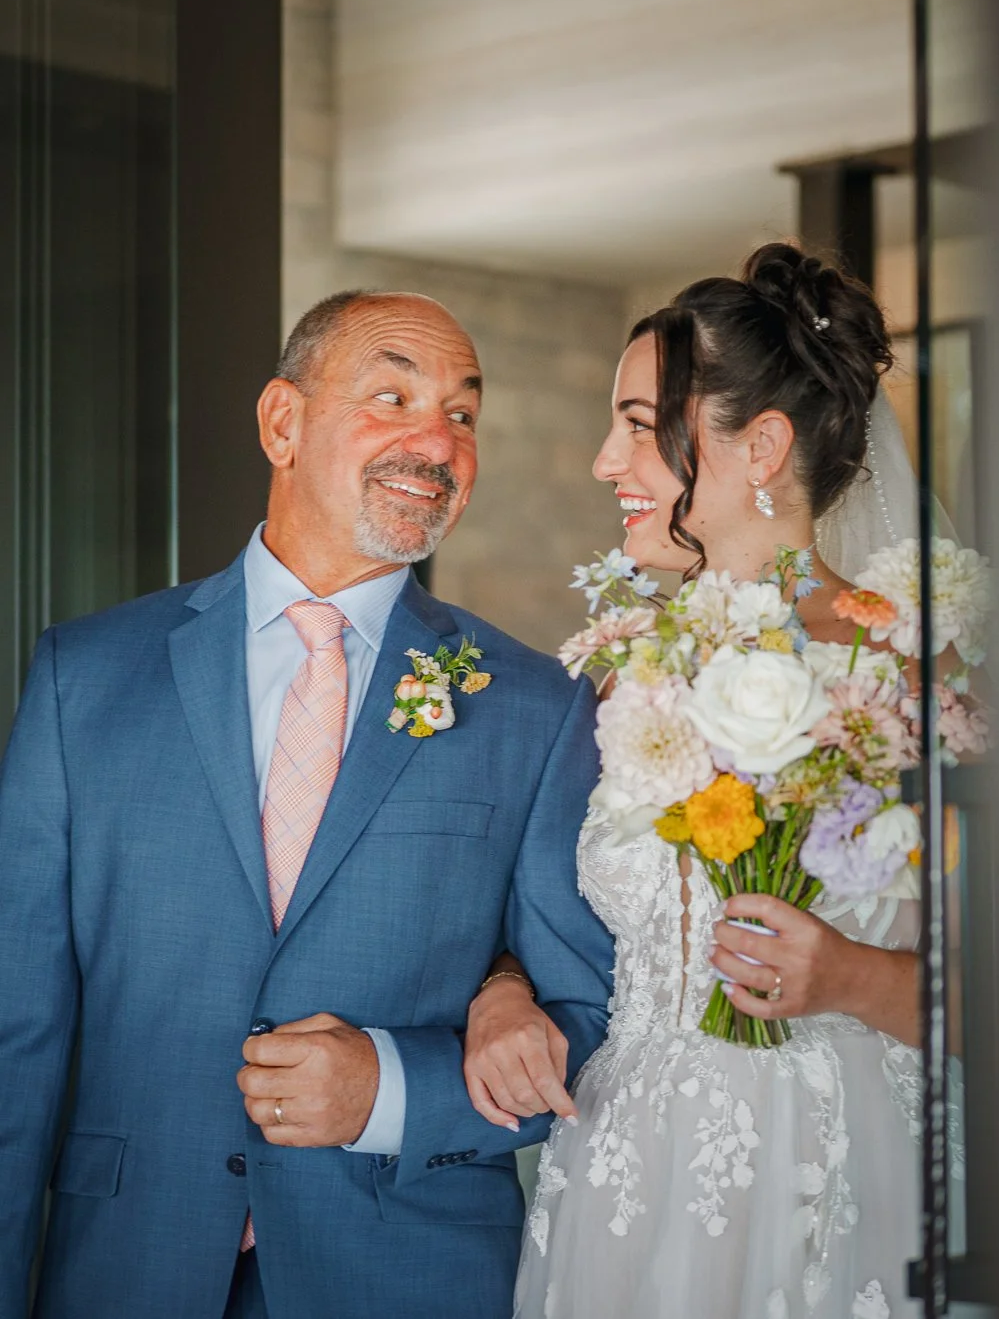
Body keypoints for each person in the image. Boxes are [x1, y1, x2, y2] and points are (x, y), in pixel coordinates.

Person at [0, 290, 614, 1319]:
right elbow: (16, 1027)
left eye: (462, 414)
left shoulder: (538, 709)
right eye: (393, 397)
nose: (437, 442)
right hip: (126, 1267)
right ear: (282, 423)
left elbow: (592, 1030)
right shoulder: (83, 679)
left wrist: (391, 1091)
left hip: (406, 1275)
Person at [464, 244, 933, 1318]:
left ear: (762, 444)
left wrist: (850, 978)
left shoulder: (907, 671)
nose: (603, 461)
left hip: (826, 1170)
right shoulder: (626, 663)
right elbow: (538, 913)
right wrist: (503, 985)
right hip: (628, 1178)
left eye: (639, 424)